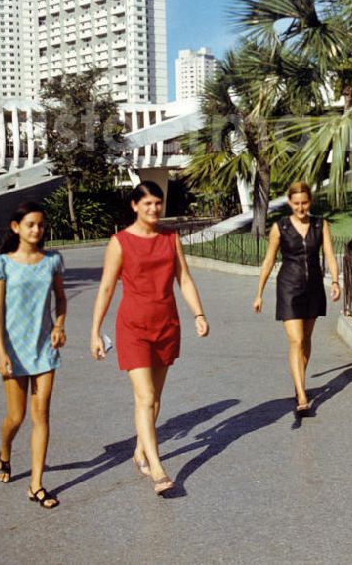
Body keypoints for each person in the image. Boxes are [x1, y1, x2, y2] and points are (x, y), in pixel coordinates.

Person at [89, 181, 209, 495]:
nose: (154, 209)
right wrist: (94, 331)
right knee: (144, 397)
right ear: (134, 206)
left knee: (155, 398)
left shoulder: (171, 238)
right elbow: (106, 287)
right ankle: (156, 467)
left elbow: (183, 277)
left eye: (158, 203)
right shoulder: (120, 242)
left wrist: (198, 313)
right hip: (133, 328)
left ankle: (141, 450)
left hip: (166, 325)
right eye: (147, 204)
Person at [0, 201, 67, 510]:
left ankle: (36, 485)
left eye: (41, 225)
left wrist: (59, 325)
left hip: (44, 348)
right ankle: (5, 451)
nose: (37, 230)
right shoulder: (1, 264)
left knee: (41, 415)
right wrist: (0, 351)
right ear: (15, 227)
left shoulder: (53, 261)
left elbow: (60, 299)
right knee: (16, 416)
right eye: (31, 224)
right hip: (13, 350)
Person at [255, 181, 340, 416]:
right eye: (296, 204)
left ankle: (298, 380)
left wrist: (335, 281)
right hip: (289, 288)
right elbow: (269, 261)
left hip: (313, 287)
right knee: (296, 339)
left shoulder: (320, 225)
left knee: (306, 341)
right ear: (289, 203)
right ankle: (302, 395)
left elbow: (330, 255)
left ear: (309, 202)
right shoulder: (279, 228)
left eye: (304, 203)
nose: (301, 208)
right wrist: (259, 293)